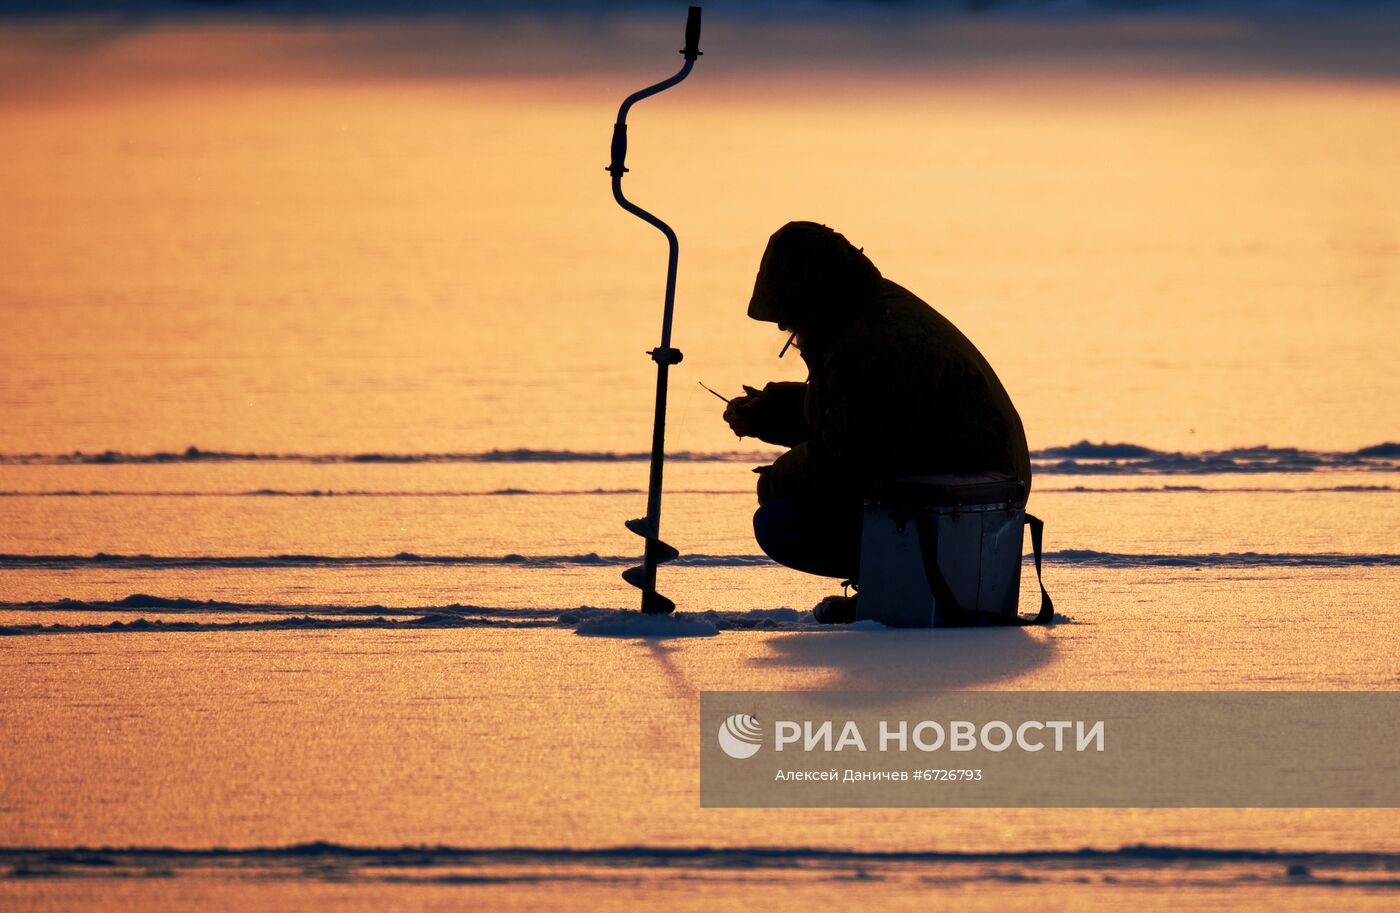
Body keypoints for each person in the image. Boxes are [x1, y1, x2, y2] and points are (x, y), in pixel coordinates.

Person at [722, 221, 1031, 623]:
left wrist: (775, 480)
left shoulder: (870, 345)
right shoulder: (873, 313)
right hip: (976, 487)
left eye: (790, 318)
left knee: (782, 520)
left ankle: (900, 586)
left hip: (966, 500)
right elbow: (858, 415)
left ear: (814, 302)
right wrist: (768, 412)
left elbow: (847, 456)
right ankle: (898, 582)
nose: (785, 330)